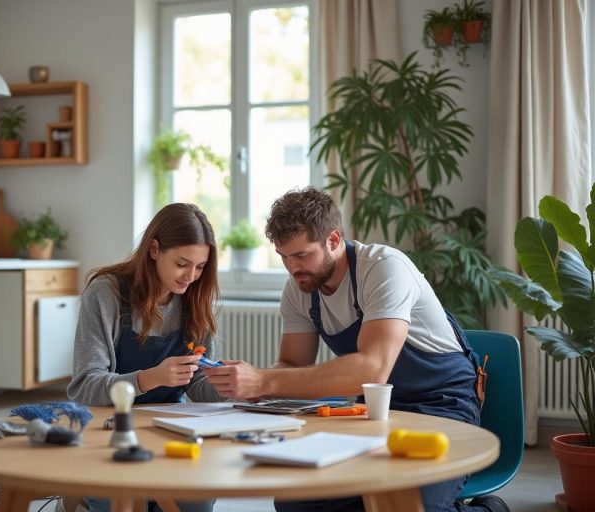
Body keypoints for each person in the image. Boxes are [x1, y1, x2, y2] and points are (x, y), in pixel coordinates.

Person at [203, 187, 508, 512]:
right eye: (283, 257)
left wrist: (264, 381)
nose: (292, 268)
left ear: (333, 240)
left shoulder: (384, 269)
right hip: (374, 411)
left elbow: (371, 370)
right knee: (296, 503)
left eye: (302, 255)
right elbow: (291, 363)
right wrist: (255, 384)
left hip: (443, 404)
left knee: (409, 505)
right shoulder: (299, 289)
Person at [65, 203, 223, 512]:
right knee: (120, 502)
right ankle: (77, 498)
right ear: (153, 249)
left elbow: (198, 384)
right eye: (182, 264)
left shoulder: (196, 297)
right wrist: (151, 378)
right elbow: (84, 386)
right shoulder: (106, 294)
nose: (191, 276)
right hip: (108, 429)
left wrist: (231, 384)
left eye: (200, 266)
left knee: (197, 502)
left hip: (169, 428)